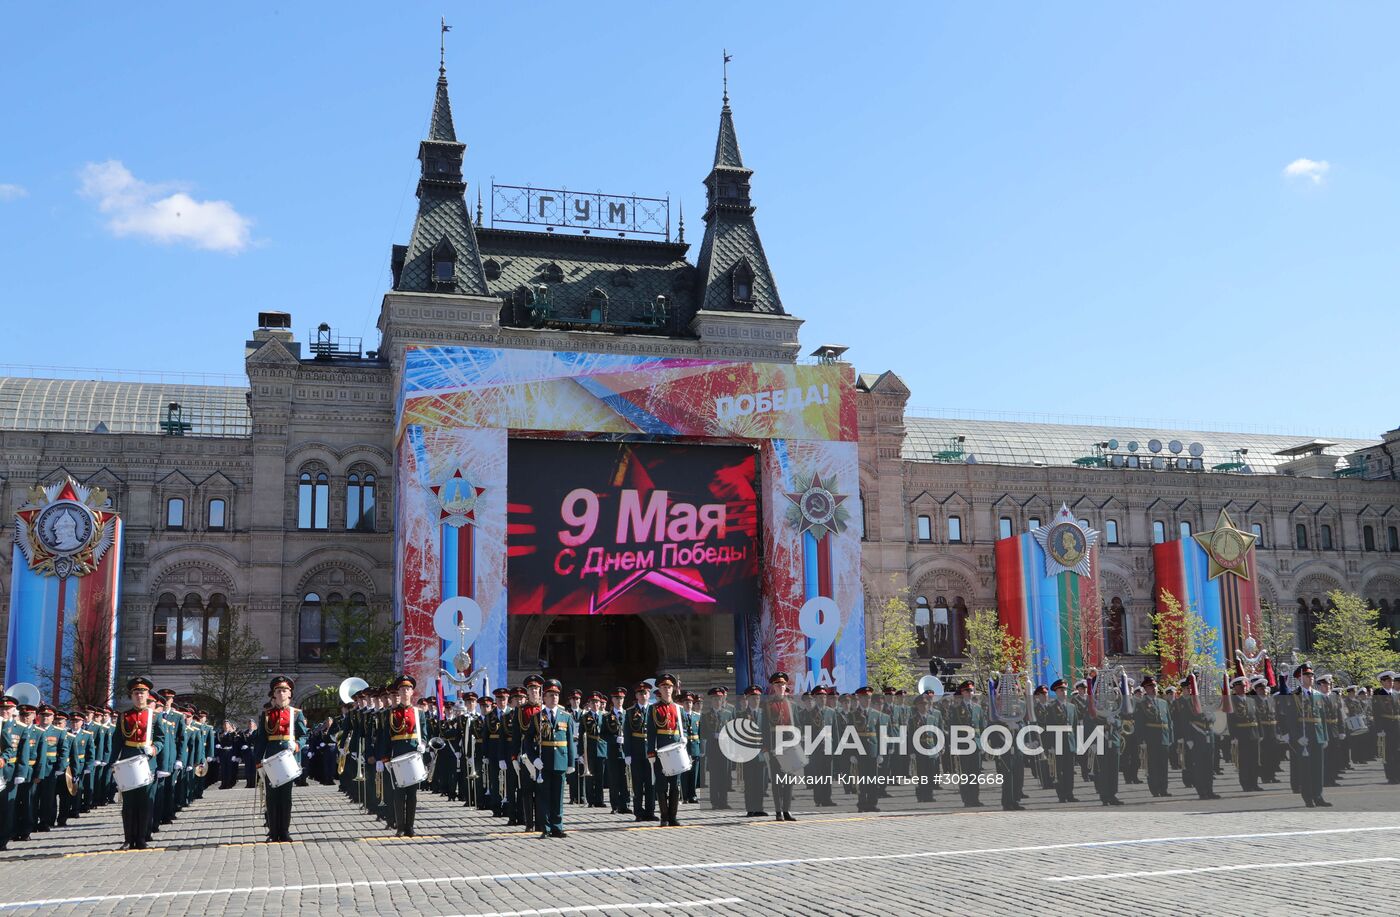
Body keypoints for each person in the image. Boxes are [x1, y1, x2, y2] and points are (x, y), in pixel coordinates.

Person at [110, 676, 163, 850]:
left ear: (147, 695)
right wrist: (113, 763)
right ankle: (128, 838)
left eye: (142, 693)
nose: (139, 696)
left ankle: (141, 838)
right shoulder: (124, 715)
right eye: (136, 693)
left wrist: (154, 749)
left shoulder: (154, 716)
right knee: (129, 803)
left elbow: (161, 739)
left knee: (145, 802)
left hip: (147, 762)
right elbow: (117, 740)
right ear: (131, 695)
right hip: (127, 761)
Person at [253, 675, 309, 842]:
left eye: (285, 691)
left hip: (288, 757)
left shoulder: (296, 714)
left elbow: (304, 736)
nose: (282, 694)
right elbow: (262, 739)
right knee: (271, 797)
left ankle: (284, 831)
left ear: (290, 694)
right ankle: (272, 831)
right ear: (273, 695)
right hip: (270, 757)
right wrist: (258, 762)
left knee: (285, 797)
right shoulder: (267, 714)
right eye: (279, 691)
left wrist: (297, 744)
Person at [381, 674, 426, 837]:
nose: (405, 692)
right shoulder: (391, 713)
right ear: (398, 692)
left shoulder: (418, 712)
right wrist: (385, 758)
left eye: (408, 689)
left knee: (412, 794)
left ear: (412, 692)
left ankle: (410, 826)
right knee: (399, 793)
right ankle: (400, 826)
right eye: (402, 689)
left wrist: (423, 744)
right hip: (397, 755)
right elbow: (386, 737)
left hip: (413, 754)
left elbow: (425, 733)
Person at [532, 678, 575, 838]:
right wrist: (534, 758)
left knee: (558, 796)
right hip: (544, 761)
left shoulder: (566, 716)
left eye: (556, 695)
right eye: (550, 695)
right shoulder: (537, 717)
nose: (554, 698)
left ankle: (557, 826)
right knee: (544, 797)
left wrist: (571, 762)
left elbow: (570, 741)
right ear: (544, 697)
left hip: (561, 760)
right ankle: (546, 827)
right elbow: (529, 742)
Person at [646, 673, 687, 827]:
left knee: (675, 785)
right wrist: (651, 752)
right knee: (662, 784)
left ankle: (673, 816)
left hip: (676, 748)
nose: (667, 689)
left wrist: (685, 740)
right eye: (664, 687)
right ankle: (664, 817)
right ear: (660, 690)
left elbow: (684, 728)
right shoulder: (654, 709)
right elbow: (651, 732)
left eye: (669, 687)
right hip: (661, 750)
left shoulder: (678, 708)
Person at [761, 672, 798, 822]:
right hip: (774, 745)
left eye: (783, 684)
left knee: (789, 780)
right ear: (773, 687)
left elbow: (798, 726)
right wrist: (765, 747)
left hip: (789, 745)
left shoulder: (793, 704)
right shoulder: (767, 705)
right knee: (777, 780)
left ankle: (787, 810)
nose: (781, 687)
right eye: (777, 685)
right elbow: (763, 727)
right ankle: (778, 811)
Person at [1133, 675, 1174, 797]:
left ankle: (1163, 789)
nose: (1154, 688)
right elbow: (1139, 723)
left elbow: (1169, 721)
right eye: (1151, 686)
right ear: (1145, 688)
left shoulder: (1163, 702)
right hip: (1151, 738)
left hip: (1164, 737)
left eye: (1154, 686)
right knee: (1152, 766)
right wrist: (1142, 740)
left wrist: (1171, 737)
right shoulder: (1142, 704)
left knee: (1163, 765)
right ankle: (1155, 789)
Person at [736, 685, 768, 816]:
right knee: (749, 782)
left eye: (758, 697)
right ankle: (750, 809)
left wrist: (767, 748)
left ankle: (759, 808)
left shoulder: (764, 714)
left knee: (761, 782)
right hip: (747, 753)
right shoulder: (741, 714)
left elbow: (767, 733)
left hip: (761, 752)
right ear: (747, 699)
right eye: (753, 698)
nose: (756, 700)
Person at [625, 682, 655, 821]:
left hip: (651, 751)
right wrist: (628, 754)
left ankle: (650, 811)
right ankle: (638, 812)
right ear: (636, 696)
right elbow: (627, 734)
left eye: (645, 693)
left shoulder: (654, 710)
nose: (643, 696)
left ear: (649, 695)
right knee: (637, 784)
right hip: (636, 752)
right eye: (640, 693)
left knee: (650, 783)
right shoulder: (630, 712)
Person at [700, 687, 733, 809]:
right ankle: (714, 802)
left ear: (722, 699)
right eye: (714, 699)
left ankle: (723, 801)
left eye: (719, 699)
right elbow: (702, 733)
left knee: (724, 776)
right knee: (714, 776)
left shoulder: (728, 714)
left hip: (725, 749)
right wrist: (712, 735)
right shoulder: (706, 716)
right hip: (713, 748)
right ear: (711, 701)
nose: (717, 701)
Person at [603, 687, 631, 815]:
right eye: (617, 698)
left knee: (626, 779)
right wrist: (615, 739)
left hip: (626, 752)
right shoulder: (607, 716)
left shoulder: (628, 714)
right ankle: (615, 805)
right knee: (614, 779)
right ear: (612, 700)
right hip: (613, 752)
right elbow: (602, 734)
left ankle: (625, 804)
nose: (619, 700)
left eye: (621, 698)